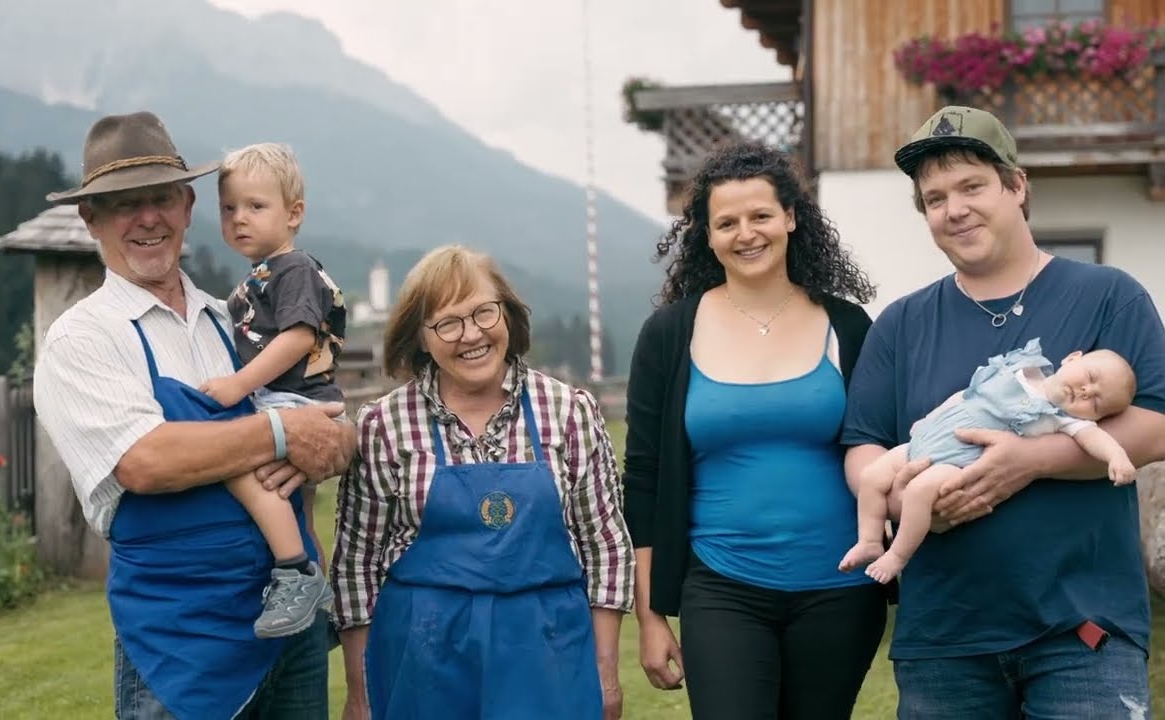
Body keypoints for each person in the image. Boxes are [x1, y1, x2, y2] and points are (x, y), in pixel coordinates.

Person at [842, 105, 1165, 718]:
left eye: (971, 186)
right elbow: (863, 447)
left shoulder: (1107, 296)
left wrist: (1029, 462)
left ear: (1017, 187)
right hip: (944, 639)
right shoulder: (901, 325)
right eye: (934, 198)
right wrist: (904, 498)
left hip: (1084, 633)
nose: (954, 209)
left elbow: (1156, 424)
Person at [33, 111, 355, 720]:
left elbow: (323, 419)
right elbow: (145, 462)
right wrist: (281, 433)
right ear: (91, 220)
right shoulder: (83, 338)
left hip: (293, 628)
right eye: (125, 203)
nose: (147, 217)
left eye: (161, 198)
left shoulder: (233, 319)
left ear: (186, 206)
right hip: (181, 646)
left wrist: (334, 440)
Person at [623, 140, 887, 720]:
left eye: (761, 215)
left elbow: (884, 445)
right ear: (707, 235)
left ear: (791, 217)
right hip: (721, 587)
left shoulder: (847, 325)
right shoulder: (670, 335)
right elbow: (642, 479)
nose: (746, 233)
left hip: (840, 590)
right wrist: (649, 615)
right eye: (727, 222)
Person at [330, 245, 635, 720]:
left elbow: (606, 547)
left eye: (483, 313)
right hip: (422, 660)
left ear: (507, 314)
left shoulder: (568, 411)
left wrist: (605, 672)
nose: (471, 334)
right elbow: (357, 565)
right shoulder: (383, 425)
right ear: (420, 337)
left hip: (550, 655)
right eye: (448, 323)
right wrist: (360, 689)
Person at [197, 142, 346, 638]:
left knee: (244, 469)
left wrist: (240, 384)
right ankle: (318, 599)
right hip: (286, 397)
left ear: (294, 213)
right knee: (297, 507)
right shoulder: (258, 276)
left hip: (295, 399)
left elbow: (301, 335)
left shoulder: (295, 268)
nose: (240, 218)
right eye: (229, 208)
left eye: (256, 207)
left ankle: (295, 573)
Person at [840, 339, 1138, 583]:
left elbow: (1095, 439)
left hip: (956, 460)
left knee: (919, 491)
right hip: (927, 441)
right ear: (1072, 358)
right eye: (1090, 378)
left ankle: (898, 555)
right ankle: (869, 539)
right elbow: (968, 394)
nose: (1087, 391)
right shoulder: (1020, 368)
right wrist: (932, 417)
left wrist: (1117, 456)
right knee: (871, 477)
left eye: (1096, 402)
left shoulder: (1060, 420)